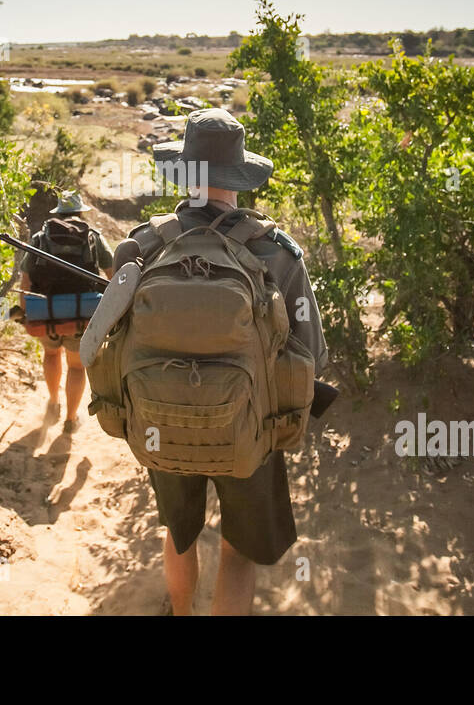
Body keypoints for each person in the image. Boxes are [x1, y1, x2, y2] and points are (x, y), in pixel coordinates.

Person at [112, 108, 328, 615]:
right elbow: (311, 358)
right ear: (241, 177)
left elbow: (109, 343)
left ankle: (181, 611)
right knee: (238, 551)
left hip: (160, 423)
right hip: (251, 428)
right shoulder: (279, 254)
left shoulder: (141, 245)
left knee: (180, 536)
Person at [20, 192, 114, 433]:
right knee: (76, 367)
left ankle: (53, 402)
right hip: (82, 314)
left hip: (45, 310)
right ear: (81, 212)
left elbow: (26, 279)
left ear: (58, 213)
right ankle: (71, 419)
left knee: (51, 355)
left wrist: (25, 312)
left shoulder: (41, 237)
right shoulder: (94, 237)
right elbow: (114, 277)